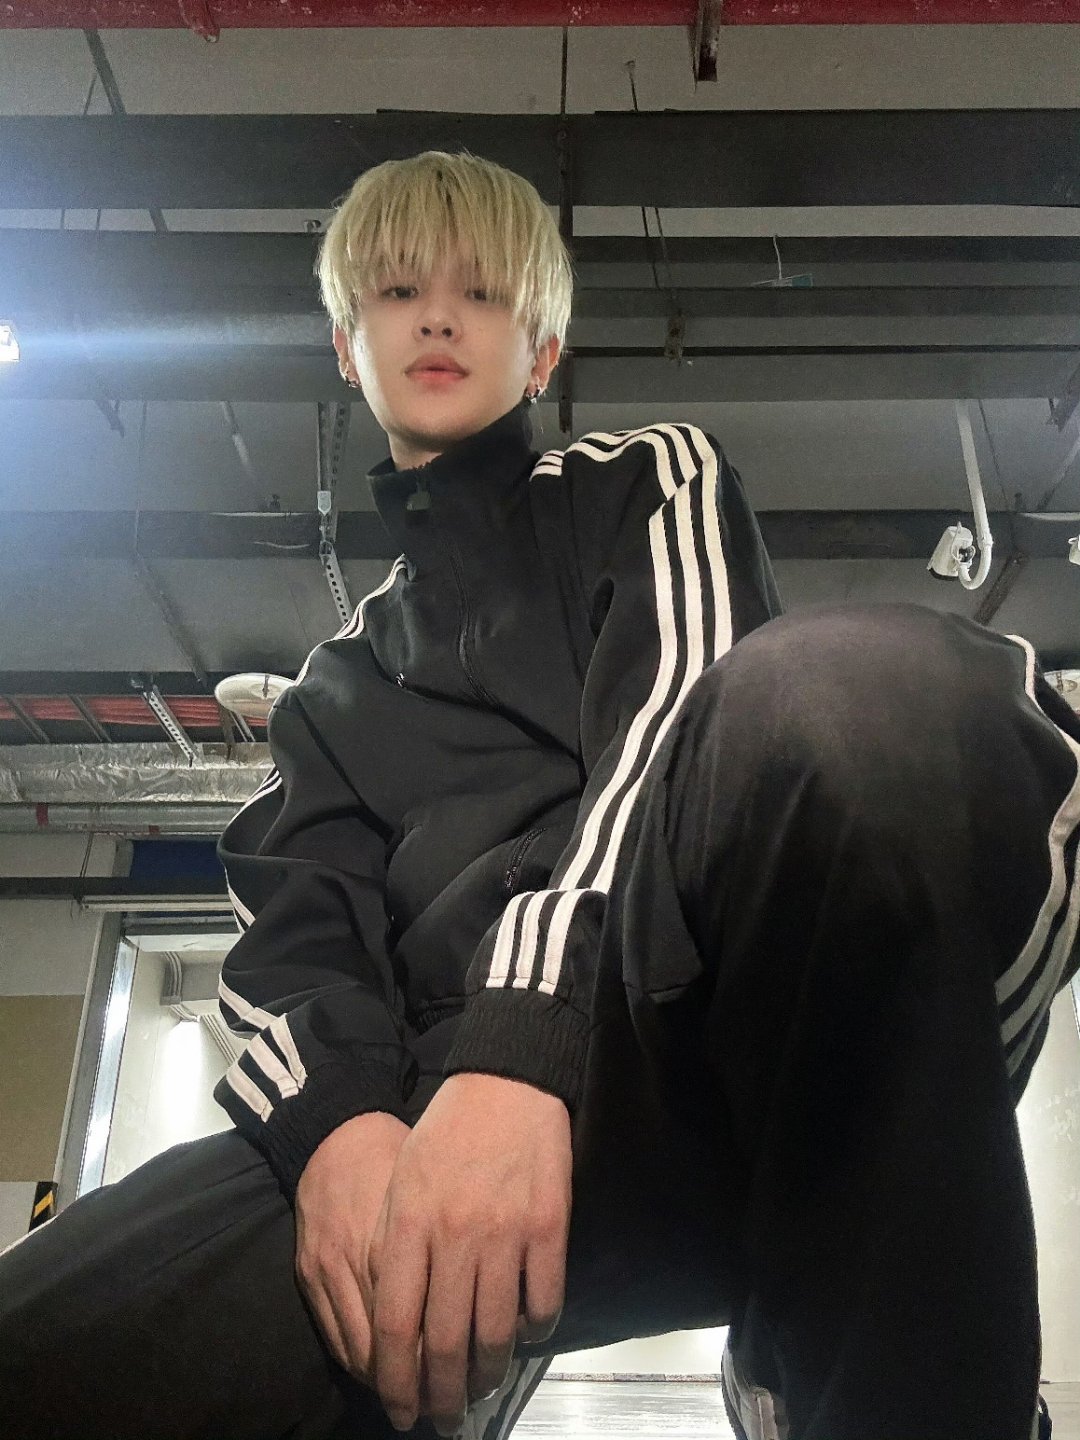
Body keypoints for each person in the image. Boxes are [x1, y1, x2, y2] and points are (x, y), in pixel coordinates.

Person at [0, 149, 1074, 1440]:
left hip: (694, 1029)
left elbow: (675, 713)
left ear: (544, 350)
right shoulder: (330, 696)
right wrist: (339, 1130)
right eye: (399, 292)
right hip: (422, 1120)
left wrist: (523, 1040)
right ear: (347, 346)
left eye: (485, 295)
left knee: (846, 696)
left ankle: (824, 1349)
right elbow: (297, 945)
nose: (439, 319)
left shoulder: (644, 482)